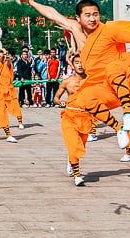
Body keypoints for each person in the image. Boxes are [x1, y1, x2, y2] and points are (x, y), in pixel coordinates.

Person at [10, 0, 130, 149]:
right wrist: (31, 2)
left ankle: (127, 114)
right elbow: (53, 15)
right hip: (95, 82)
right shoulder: (75, 29)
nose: (92, 19)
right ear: (78, 18)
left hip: (120, 79)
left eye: (95, 14)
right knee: (80, 106)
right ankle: (122, 132)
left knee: (115, 74)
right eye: (87, 15)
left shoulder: (108, 31)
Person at [54, 54, 92, 186]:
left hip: (85, 118)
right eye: (77, 62)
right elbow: (56, 98)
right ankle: (77, 175)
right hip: (69, 116)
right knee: (73, 145)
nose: (80, 65)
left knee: (80, 146)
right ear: (73, 65)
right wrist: (60, 102)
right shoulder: (67, 82)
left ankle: (71, 159)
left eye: (82, 62)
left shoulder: (91, 81)